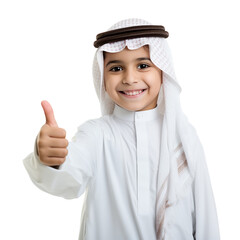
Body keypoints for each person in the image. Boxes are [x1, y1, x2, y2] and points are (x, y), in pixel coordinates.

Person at [23, 18, 220, 240]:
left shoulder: (183, 136)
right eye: (116, 68)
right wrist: (52, 158)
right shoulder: (97, 135)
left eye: (143, 65)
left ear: (162, 71)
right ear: (103, 78)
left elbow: (205, 217)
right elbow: (69, 178)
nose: (130, 78)